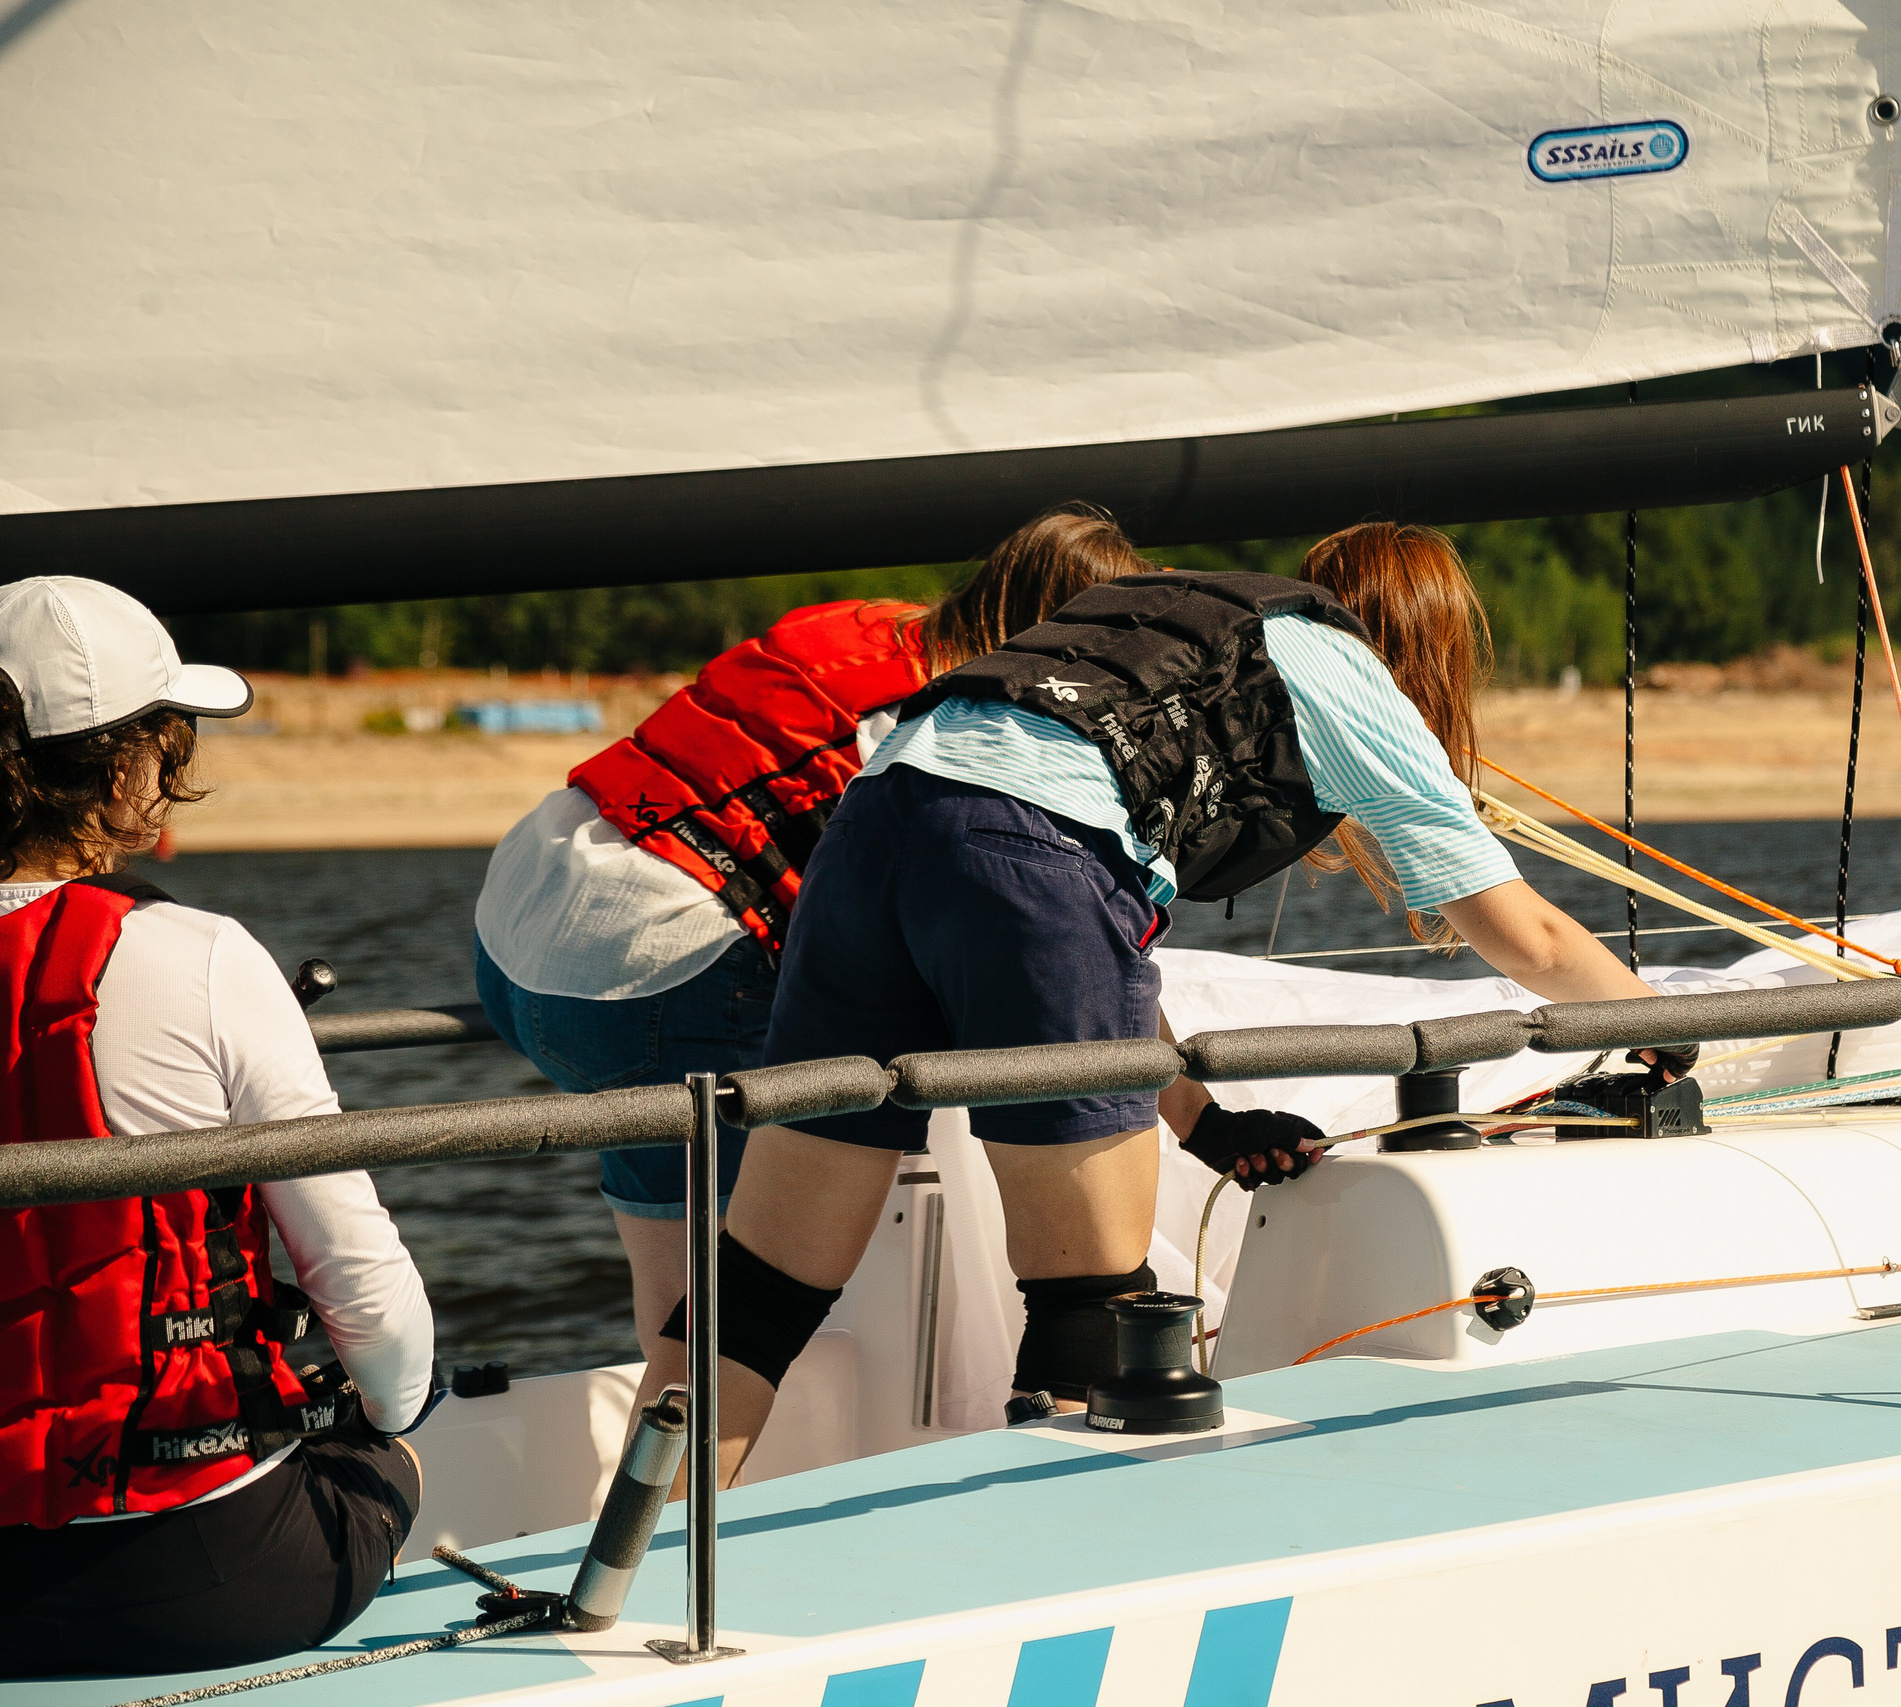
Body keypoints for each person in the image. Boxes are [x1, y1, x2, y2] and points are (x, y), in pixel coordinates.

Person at [689, 520, 1694, 1477]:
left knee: (763, 1291)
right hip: (1029, 861)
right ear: (1421, 652)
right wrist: (1663, 1034)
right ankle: (1046, 1582)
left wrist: (1201, 1121)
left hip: (871, 829)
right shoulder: (1345, 671)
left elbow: (1070, 917)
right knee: (1090, 1297)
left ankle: (633, 1566)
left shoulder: (1169, 621)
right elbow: (1532, 938)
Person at [472, 502, 1155, 1419]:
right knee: (765, 1285)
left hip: (523, 942)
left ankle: (657, 1508)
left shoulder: (863, 627)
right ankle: (730, 1521)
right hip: (665, 975)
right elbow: (1020, 936)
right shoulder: (985, 723)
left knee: (683, 1295)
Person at [0, 578, 437, 1678]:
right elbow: (370, 1302)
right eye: (170, 738)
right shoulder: (197, 958)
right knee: (390, 1441)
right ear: (122, 763)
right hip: (201, 1575)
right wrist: (387, 1407)